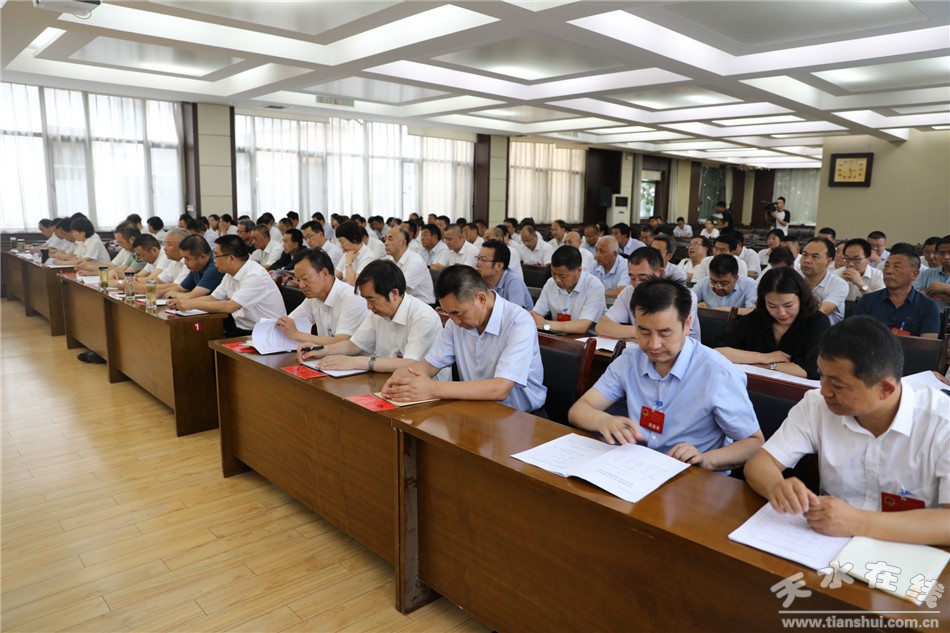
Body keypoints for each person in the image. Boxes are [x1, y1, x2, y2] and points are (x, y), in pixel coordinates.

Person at [743, 316, 949, 545]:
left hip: (911, 548)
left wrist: (860, 523)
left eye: (838, 385)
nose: (824, 391)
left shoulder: (942, 423)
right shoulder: (817, 405)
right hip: (823, 543)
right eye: (822, 376)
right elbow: (760, 463)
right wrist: (777, 486)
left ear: (886, 389)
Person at [568, 278, 763, 471]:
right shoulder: (629, 360)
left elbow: (754, 442)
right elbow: (579, 410)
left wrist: (705, 459)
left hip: (693, 476)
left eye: (664, 333)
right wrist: (603, 420)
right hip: (638, 468)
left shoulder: (718, 374)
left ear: (687, 324)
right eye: (643, 331)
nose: (654, 344)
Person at [381, 265, 547, 413]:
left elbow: (500, 388)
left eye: (457, 313)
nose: (455, 321)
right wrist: (402, 377)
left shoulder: (519, 323)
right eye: (449, 314)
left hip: (520, 416)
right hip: (475, 408)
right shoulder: (456, 323)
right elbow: (429, 365)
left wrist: (433, 388)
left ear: (481, 299)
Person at [298, 260, 446, 377]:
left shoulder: (423, 317)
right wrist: (321, 350)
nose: (369, 306)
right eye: (365, 299)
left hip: (425, 389)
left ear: (394, 294)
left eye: (372, 299)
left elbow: (409, 364)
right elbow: (354, 345)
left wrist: (355, 362)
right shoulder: (379, 312)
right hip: (387, 379)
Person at [716, 267, 831, 379]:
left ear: (802, 298)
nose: (781, 313)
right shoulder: (758, 316)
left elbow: (812, 369)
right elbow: (718, 351)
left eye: (788, 305)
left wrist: (767, 365)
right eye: (772, 306)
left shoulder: (817, 321)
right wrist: (763, 357)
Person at [167, 235, 286, 337]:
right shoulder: (230, 274)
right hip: (243, 329)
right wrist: (183, 301)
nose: (214, 260)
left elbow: (230, 306)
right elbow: (213, 298)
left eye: (216, 256)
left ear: (231, 258)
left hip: (267, 333)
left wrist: (191, 304)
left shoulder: (255, 275)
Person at [596, 247, 701, 342]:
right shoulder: (629, 292)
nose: (636, 283)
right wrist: (640, 332)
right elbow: (602, 326)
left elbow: (673, 338)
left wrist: (631, 335)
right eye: (632, 278)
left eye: (643, 278)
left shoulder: (683, 296)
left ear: (660, 273)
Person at [276, 248, 369, 346]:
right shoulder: (313, 298)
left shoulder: (351, 298)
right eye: (298, 280)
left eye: (305, 278)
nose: (301, 285)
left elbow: (341, 343)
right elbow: (288, 323)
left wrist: (296, 334)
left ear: (324, 273)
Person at [855, 249, 940, 338]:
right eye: (886, 266)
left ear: (914, 274)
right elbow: (856, 336)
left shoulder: (928, 306)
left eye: (897, 267)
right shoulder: (867, 300)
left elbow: (928, 343)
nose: (888, 271)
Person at [530, 246, 606, 335]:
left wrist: (546, 324)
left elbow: (583, 326)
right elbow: (536, 314)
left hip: (587, 339)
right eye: (553, 274)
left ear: (579, 270)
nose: (557, 280)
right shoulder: (551, 283)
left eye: (562, 276)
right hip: (557, 337)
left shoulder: (594, 286)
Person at [799, 237, 849, 325]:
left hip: (826, 331)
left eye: (814, 257)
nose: (807, 260)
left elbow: (821, 312)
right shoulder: (796, 279)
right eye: (805, 255)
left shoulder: (839, 284)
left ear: (828, 261)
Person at [475, 239, 533, 310]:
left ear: (499, 266)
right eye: (478, 258)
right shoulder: (478, 279)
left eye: (483, 260)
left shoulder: (513, 281)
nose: (477, 264)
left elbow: (516, 313)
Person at [162, 234, 225, 299]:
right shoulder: (197, 267)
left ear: (202, 257)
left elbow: (190, 296)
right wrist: (160, 292)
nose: (185, 262)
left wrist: (175, 294)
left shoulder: (215, 267)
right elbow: (181, 288)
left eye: (187, 258)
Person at [384, 225, 434, 304]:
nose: (386, 243)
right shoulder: (390, 260)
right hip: (403, 302)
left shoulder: (415, 262)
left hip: (423, 305)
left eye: (390, 239)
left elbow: (398, 288)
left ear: (403, 242)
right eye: (385, 239)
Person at [692, 254, 757, 314]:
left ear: (736, 278)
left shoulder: (750, 285)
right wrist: (695, 306)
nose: (718, 287)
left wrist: (719, 310)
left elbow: (753, 311)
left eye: (723, 283)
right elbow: (687, 299)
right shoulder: (705, 282)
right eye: (713, 282)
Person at [836, 238, 885, 302]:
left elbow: (879, 303)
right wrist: (839, 283)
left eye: (856, 259)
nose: (851, 264)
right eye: (847, 258)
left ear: (868, 260)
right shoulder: (836, 274)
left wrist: (861, 284)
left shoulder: (879, 276)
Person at [334, 220, 378, 284]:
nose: (341, 246)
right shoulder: (348, 252)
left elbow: (353, 283)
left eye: (342, 242)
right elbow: (336, 276)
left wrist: (348, 261)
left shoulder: (368, 257)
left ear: (354, 239)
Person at [914, 235, 950, 309]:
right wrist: (928, 293)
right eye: (941, 253)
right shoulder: (927, 273)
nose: (946, 257)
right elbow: (910, 295)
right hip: (928, 315)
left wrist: (945, 288)